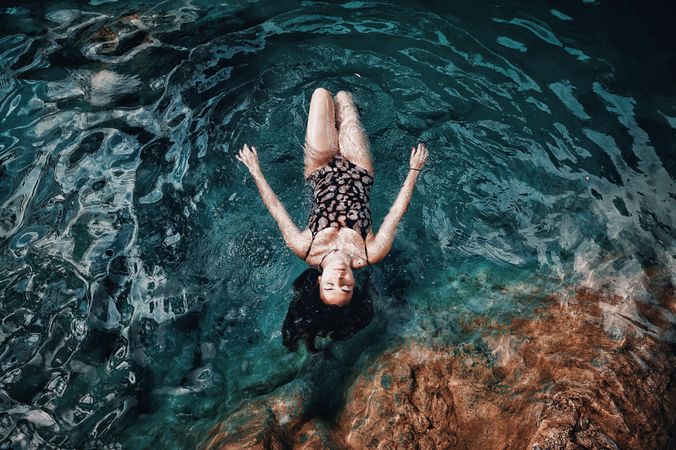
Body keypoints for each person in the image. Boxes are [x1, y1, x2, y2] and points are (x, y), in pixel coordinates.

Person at [236, 88, 428, 307]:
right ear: (354, 284)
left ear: (319, 281)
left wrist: (255, 171)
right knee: (344, 98)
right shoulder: (370, 252)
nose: (338, 279)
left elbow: (277, 210)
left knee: (320, 94)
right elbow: (395, 213)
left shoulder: (304, 247)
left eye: (329, 286)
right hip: (359, 169)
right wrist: (414, 170)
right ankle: (351, 107)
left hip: (318, 168)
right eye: (345, 287)